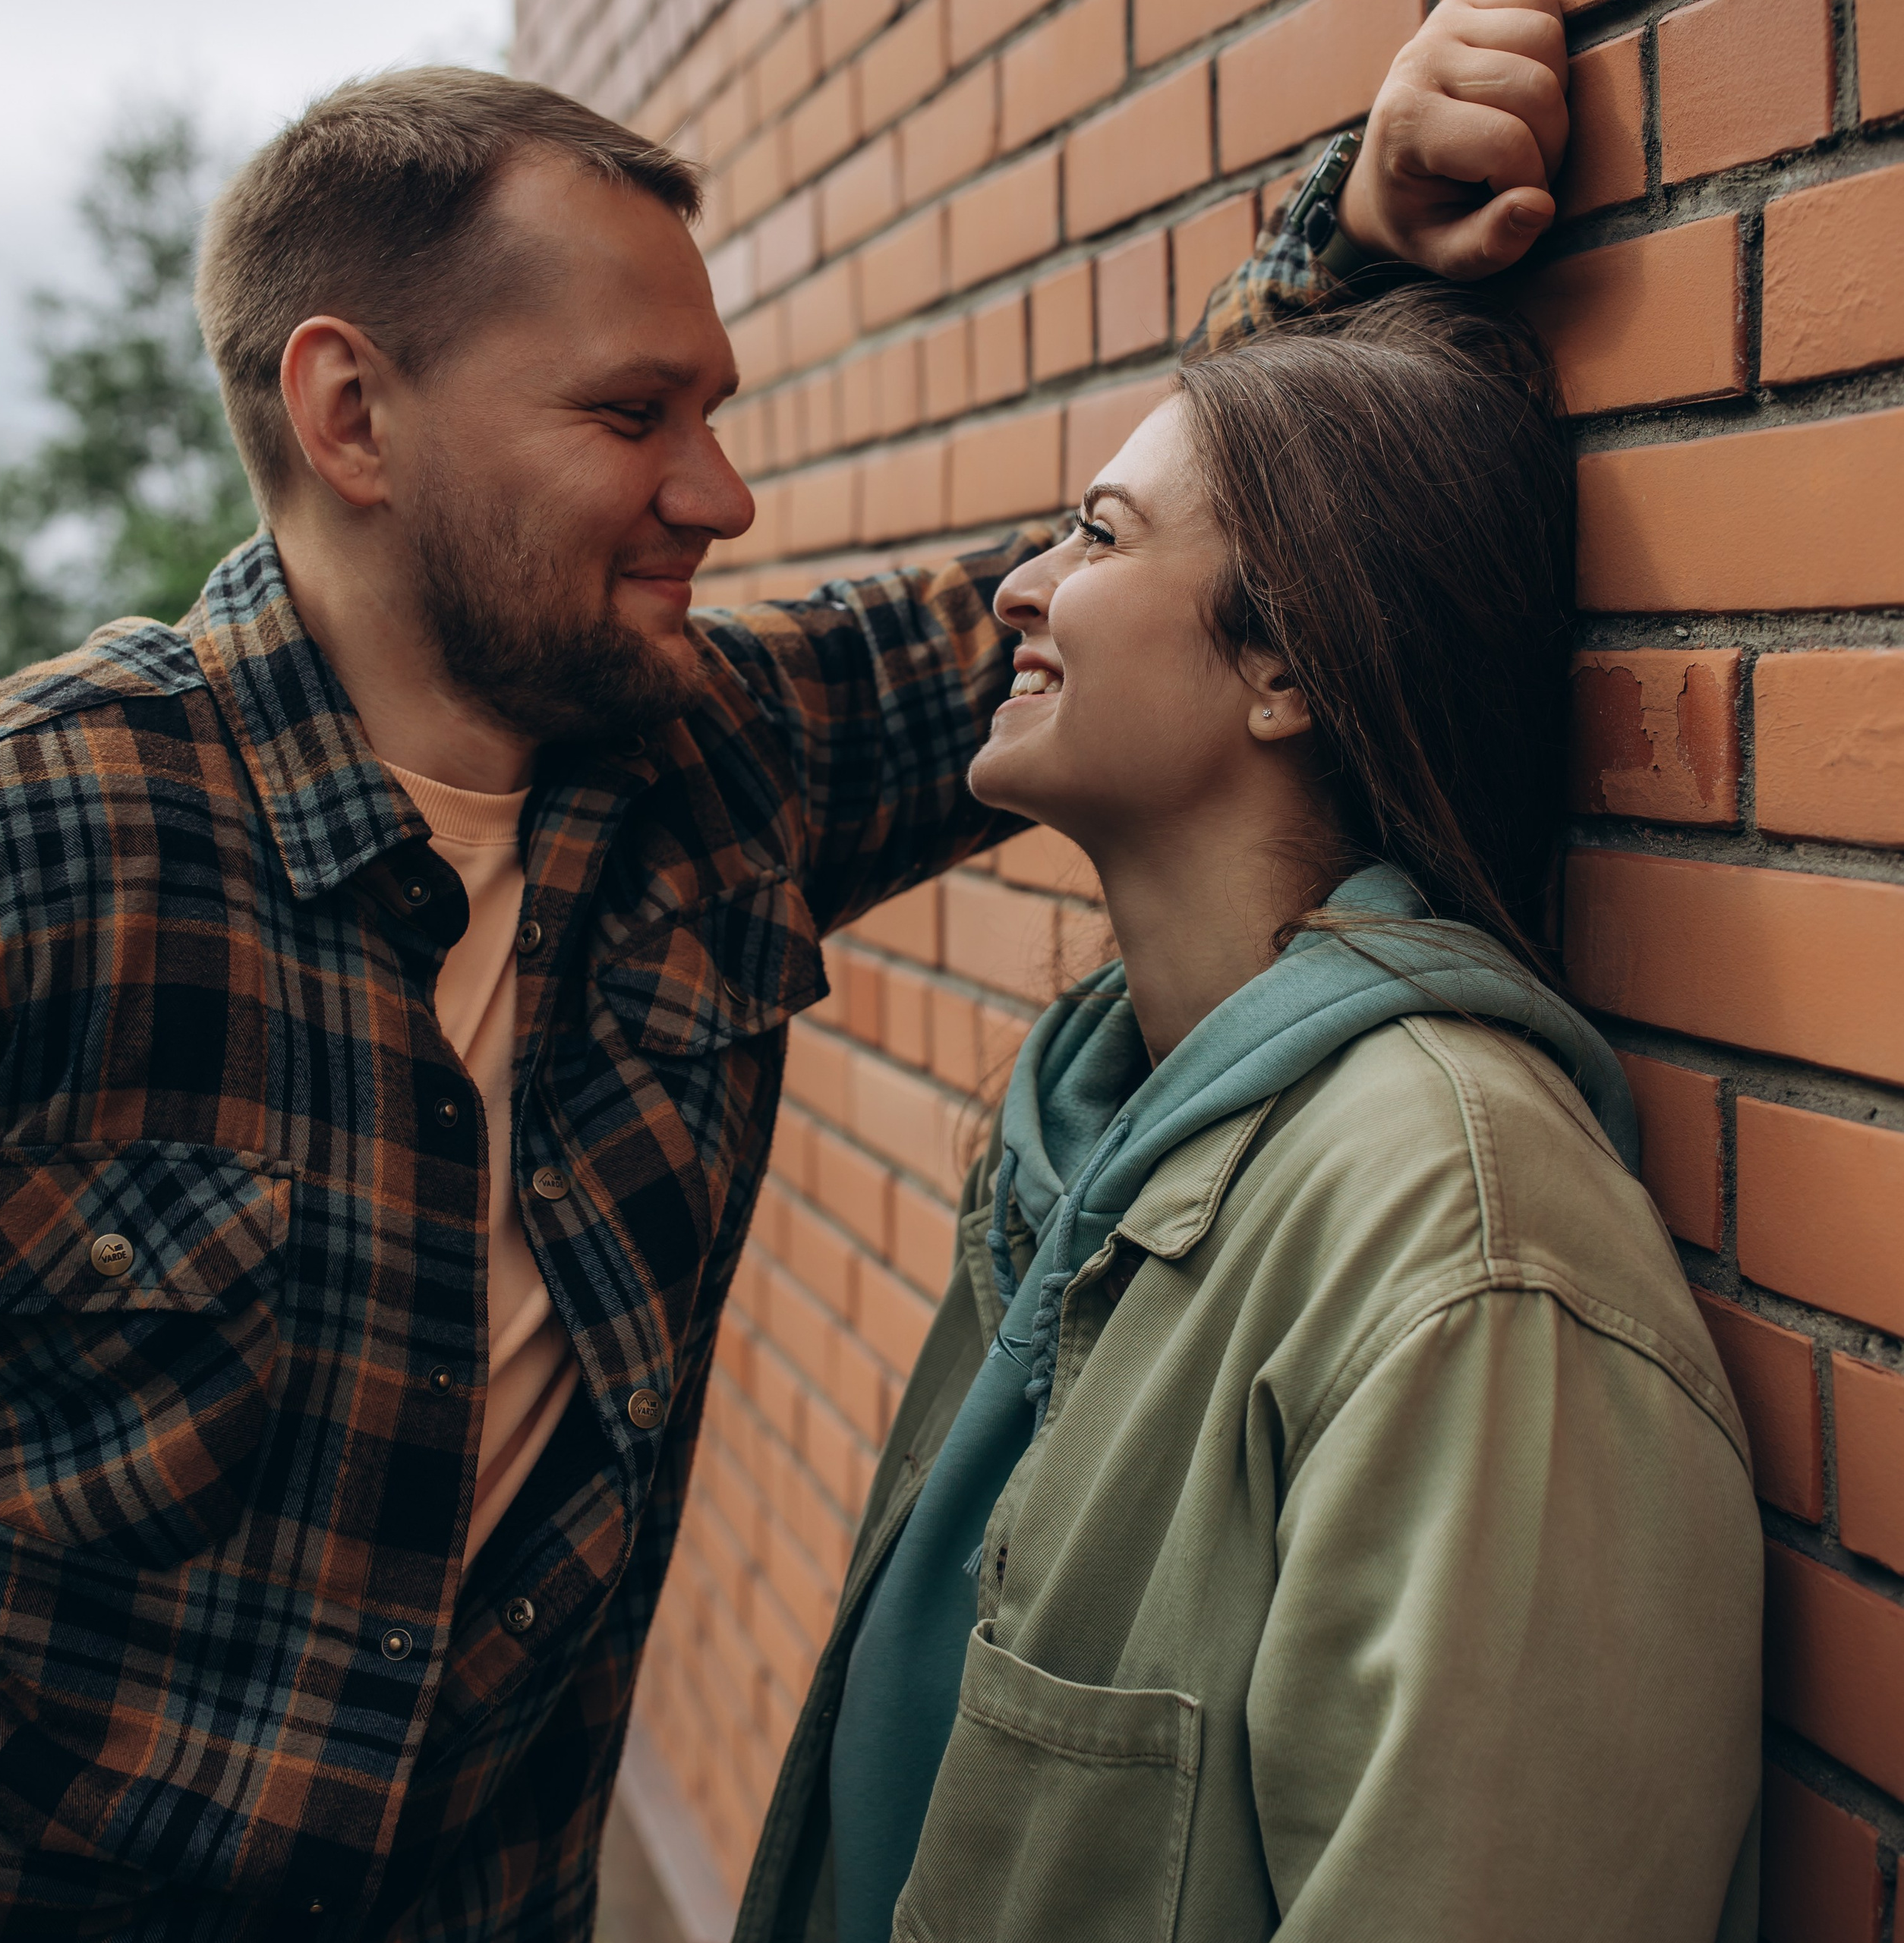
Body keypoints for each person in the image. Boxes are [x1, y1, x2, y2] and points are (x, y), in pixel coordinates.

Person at [0, 6, 1624, 1939]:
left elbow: (1147, 591)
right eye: (630, 414)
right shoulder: (29, 836)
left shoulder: (707, 765)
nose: (720, 494)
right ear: (349, 417)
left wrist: (1353, 231)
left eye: (715, 411)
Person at [732, 24, 1764, 1943]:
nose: (1015, 589)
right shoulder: (1088, 1131)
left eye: (1092, 535)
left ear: (1283, 667)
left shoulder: (1454, 1233)